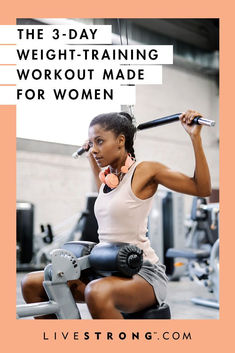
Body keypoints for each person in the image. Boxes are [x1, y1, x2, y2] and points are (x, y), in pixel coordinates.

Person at [21, 109, 211, 319]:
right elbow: (99, 177)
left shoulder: (145, 171)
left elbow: (201, 189)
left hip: (141, 271)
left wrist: (195, 137)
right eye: (92, 143)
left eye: (100, 141)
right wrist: (93, 151)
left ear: (121, 141)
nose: (94, 149)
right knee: (32, 283)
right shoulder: (108, 179)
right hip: (105, 265)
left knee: (97, 293)